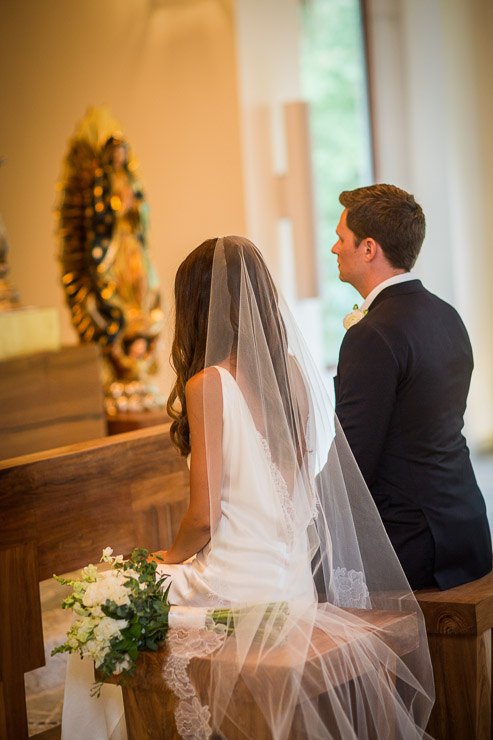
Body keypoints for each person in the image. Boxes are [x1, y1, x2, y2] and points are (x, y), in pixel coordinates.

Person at [62, 236, 434, 739]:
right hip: (292, 584)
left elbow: (204, 515)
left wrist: (169, 557)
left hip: (236, 588)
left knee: (100, 611)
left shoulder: (207, 384)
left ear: (197, 304)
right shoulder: (294, 374)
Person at [332, 184, 492, 591]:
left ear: (369, 249)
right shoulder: (446, 316)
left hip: (413, 545)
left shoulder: (371, 334)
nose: (334, 248)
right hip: (469, 527)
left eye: (340, 238)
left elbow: (355, 460)